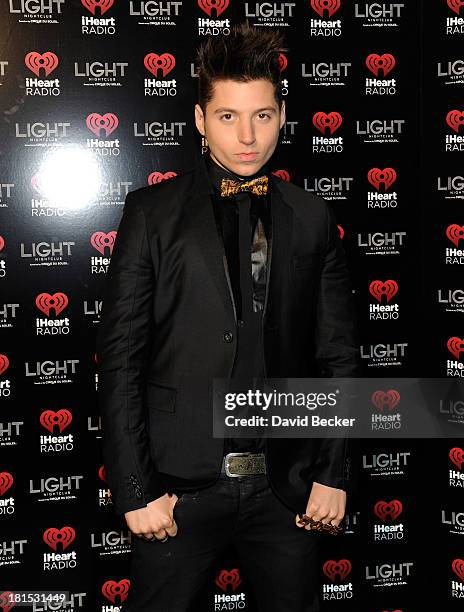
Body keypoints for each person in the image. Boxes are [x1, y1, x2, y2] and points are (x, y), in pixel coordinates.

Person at [96, 22, 360, 612]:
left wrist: (333, 474)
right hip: (177, 493)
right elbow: (121, 361)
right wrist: (136, 490)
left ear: (282, 115)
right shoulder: (150, 214)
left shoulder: (313, 218)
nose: (247, 136)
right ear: (199, 118)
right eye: (227, 116)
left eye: (262, 116)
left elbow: (338, 357)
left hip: (286, 490)